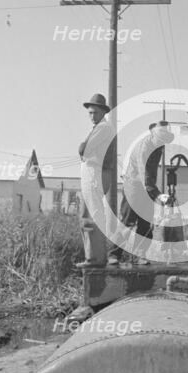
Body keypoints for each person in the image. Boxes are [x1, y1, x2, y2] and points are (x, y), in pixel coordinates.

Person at [109, 121, 174, 265]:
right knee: (128, 222)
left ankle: (140, 254)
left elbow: (150, 176)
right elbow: (144, 173)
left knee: (145, 222)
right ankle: (114, 255)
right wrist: (157, 194)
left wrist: (154, 191)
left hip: (147, 186)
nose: (162, 141)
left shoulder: (159, 146)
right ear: (152, 135)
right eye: (160, 137)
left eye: (164, 138)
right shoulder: (144, 148)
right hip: (134, 185)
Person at [76, 93, 114, 268]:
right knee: (87, 215)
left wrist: (83, 147)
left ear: (102, 112)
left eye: (95, 113)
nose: (92, 116)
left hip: (96, 172)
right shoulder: (100, 128)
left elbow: (84, 148)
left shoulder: (104, 128)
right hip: (92, 171)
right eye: (90, 113)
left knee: (93, 215)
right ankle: (93, 257)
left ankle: (96, 258)